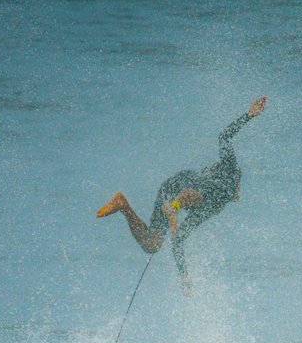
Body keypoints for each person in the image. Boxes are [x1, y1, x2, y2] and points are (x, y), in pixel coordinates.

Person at [96, 96, 268, 289]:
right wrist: (249, 115)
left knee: (152, 245)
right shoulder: (227, 181)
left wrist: (184, 275)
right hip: (183, 192)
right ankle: (174, 206)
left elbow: (224, 136)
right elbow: (223, 138)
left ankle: (123, 205)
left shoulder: (213, 186)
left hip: (171, 185)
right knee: (196, 196)